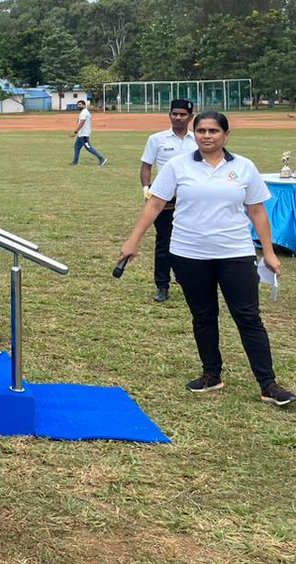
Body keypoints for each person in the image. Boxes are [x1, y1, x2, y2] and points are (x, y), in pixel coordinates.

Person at [120, 111, 292, 406]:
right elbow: (157, 203)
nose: (207, 136)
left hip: (235, 253)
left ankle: (268, 384)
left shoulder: (244, 167)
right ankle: (211, 375)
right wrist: (133, 240)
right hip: (189, 253)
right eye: (201, 131)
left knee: (248, 318)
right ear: (194, 133)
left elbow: (257, 211)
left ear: (226, 135)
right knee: (203, 315)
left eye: (213, 131)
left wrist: (269, 252)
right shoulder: (177, 166)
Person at [138, 99, 196, 302]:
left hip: (192, 200)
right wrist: (146, 189)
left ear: (191, 116)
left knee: (191, 241)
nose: (178, 118)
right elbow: (146, 165)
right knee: (164, 242)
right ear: (169, 115)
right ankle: (162, 285)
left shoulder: (198, 139)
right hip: (165, 200)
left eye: (182, 114)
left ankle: (188, 280)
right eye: (174, 114)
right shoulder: (157, 139)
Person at [70, 99, 107, 166]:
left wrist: (75, 132)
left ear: (84, 105)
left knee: (88, 147)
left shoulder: (84, 112)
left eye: (80, 105)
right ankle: (75, 162)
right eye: (78, 105)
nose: (78, 106)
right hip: (81, 134)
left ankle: (102, 159)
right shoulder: (83, 112)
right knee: (77, 147)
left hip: (84, 134)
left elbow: (82, 123)